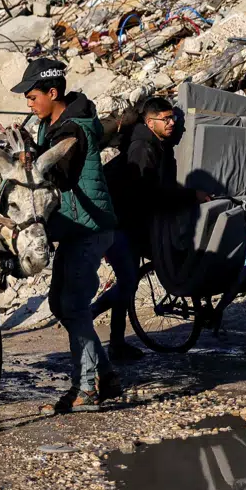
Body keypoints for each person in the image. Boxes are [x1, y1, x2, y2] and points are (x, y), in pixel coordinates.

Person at [13, 58, 120, 412]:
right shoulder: (53, 124)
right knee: (62, 304)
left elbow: (59, 176)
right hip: (75, 227)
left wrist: (31, 156)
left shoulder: (71, 132)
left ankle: (86, 389)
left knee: (72, 305)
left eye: (32, 97)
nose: (29, 105)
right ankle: (107, 376)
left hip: (87, 227)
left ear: (52, 92)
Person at [92, 96, 182, 361]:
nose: (171, 123)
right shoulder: (143, 146)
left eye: (172, 117)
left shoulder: (157, 143)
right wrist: (185, 197)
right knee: (129, 280)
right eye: (165, 119)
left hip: (129, 221)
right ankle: (90, 317)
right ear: (149, 121)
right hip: (119, 222)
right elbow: (143, 190)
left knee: (128, 280)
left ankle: (116, 343)